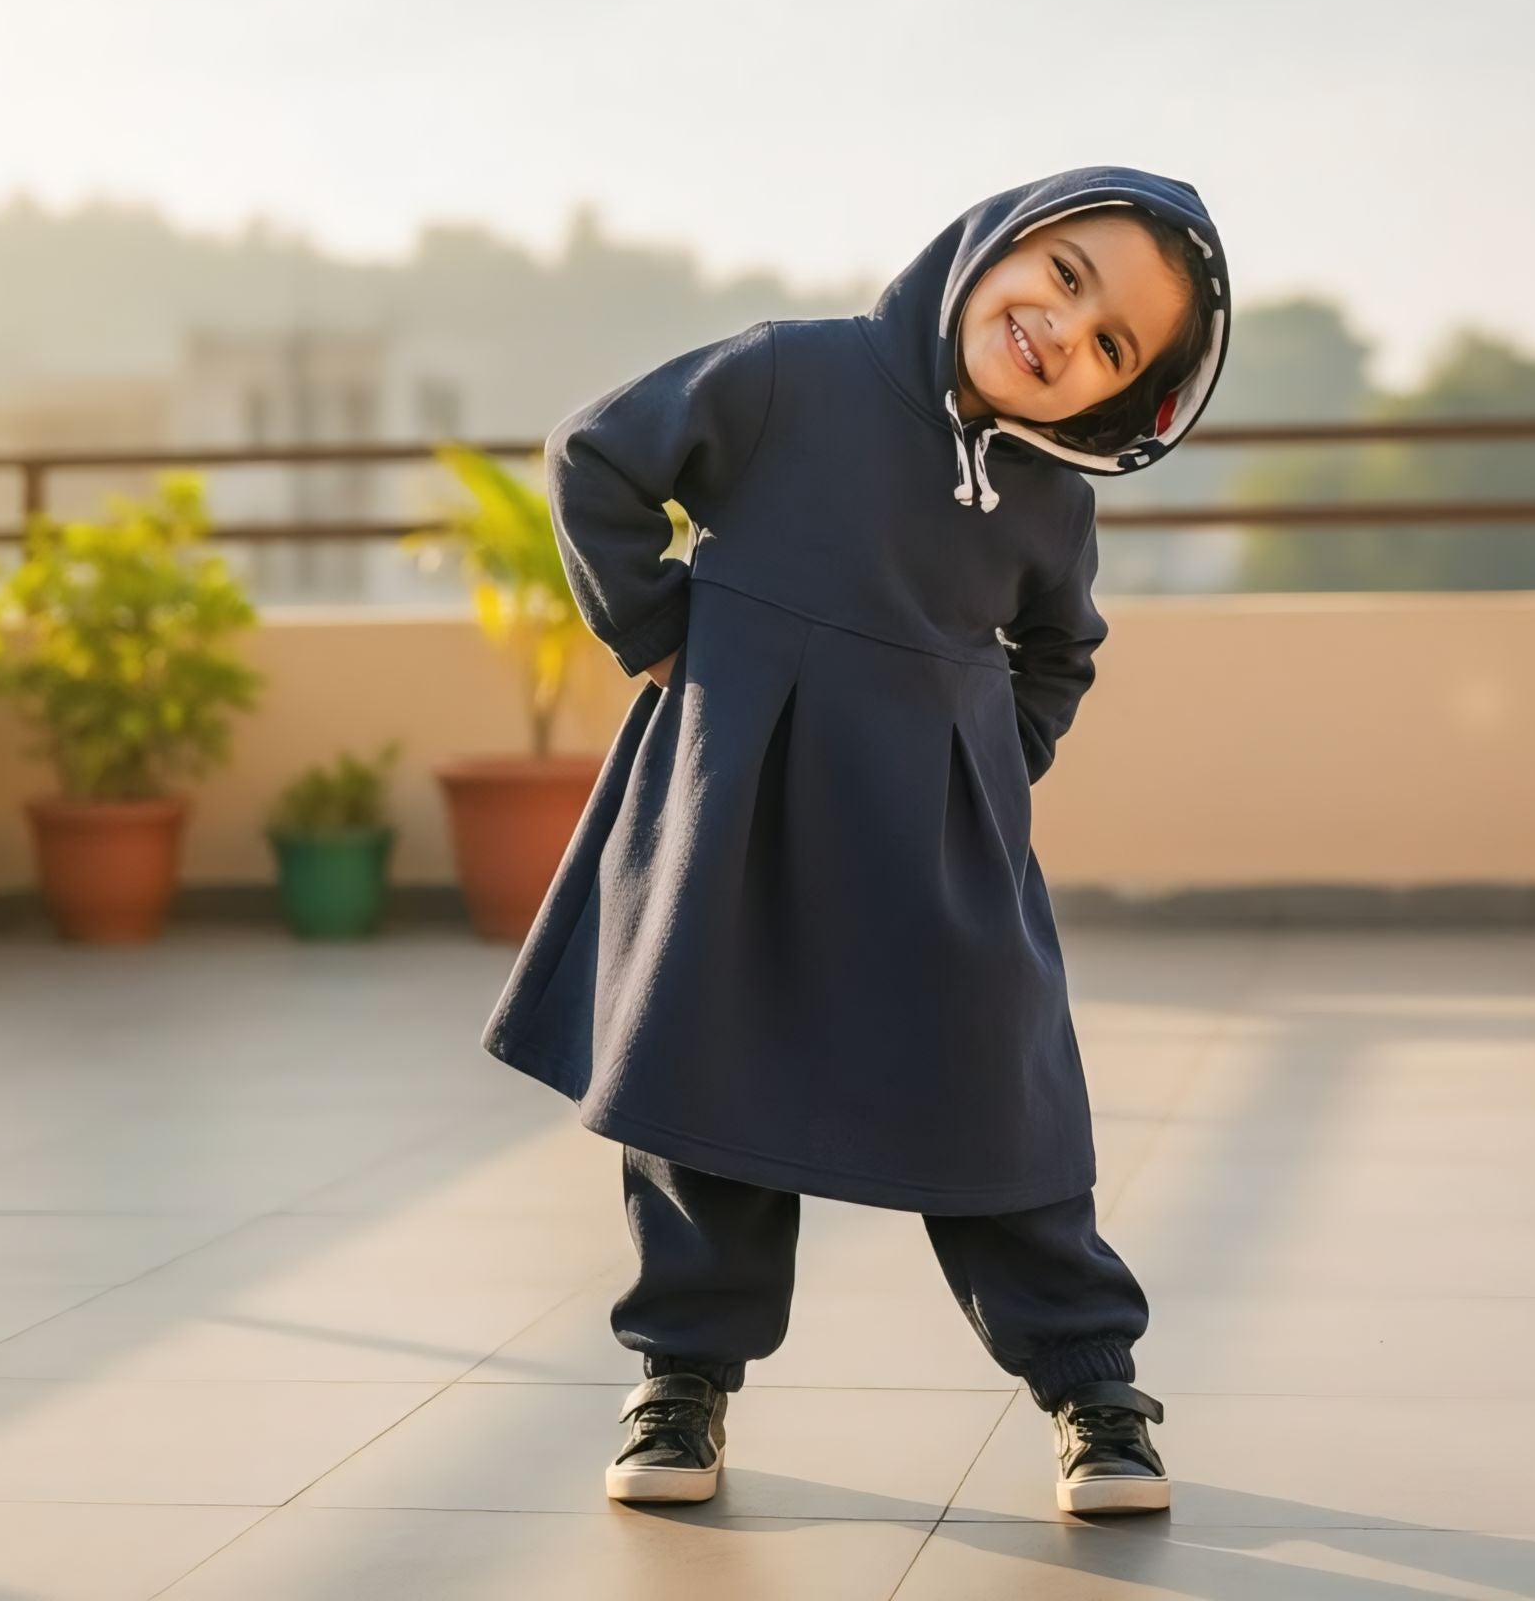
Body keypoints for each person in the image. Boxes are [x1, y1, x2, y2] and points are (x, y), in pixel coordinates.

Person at [480, 164, 1232, 1515]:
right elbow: (596, 456)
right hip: (738, 812)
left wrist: (990, 770)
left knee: (1000, 1099)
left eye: (1112, 345)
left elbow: (1060, 650)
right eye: (1064, 276)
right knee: (706, 1092)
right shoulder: (793, 375)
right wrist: (657, 632)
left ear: (1119, 402)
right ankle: (681, 1382)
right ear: (999, 243)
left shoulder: (1051, 501)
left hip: (931, 846)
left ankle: (1092, 1387)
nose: (1064, 328)